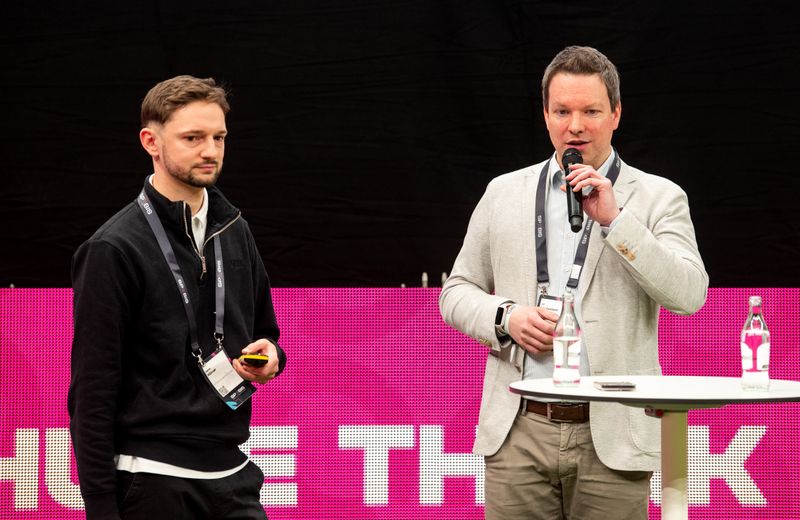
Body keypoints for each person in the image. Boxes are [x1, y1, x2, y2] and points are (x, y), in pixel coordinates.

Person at [439, 46, 708, 519]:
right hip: (519, 430)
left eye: (591, 111)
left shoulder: (658, 197)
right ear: (545, 114)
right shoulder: (504, 193)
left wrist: (616, 221)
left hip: (613, 433)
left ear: (616, 114)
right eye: (562, 111)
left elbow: (688, 294)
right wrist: (506, 316)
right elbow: (456, 291)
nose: (576, 126)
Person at [69, 75, 286, 520]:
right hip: (150, 478)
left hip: (233, 472)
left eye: (219, 137)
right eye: (193, 138)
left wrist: (271, 355)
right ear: (151, 141)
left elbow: (266, 332)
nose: (210, 150)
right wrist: (100, 507)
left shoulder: (234, 228)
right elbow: (92, 391)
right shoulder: (113, 248)